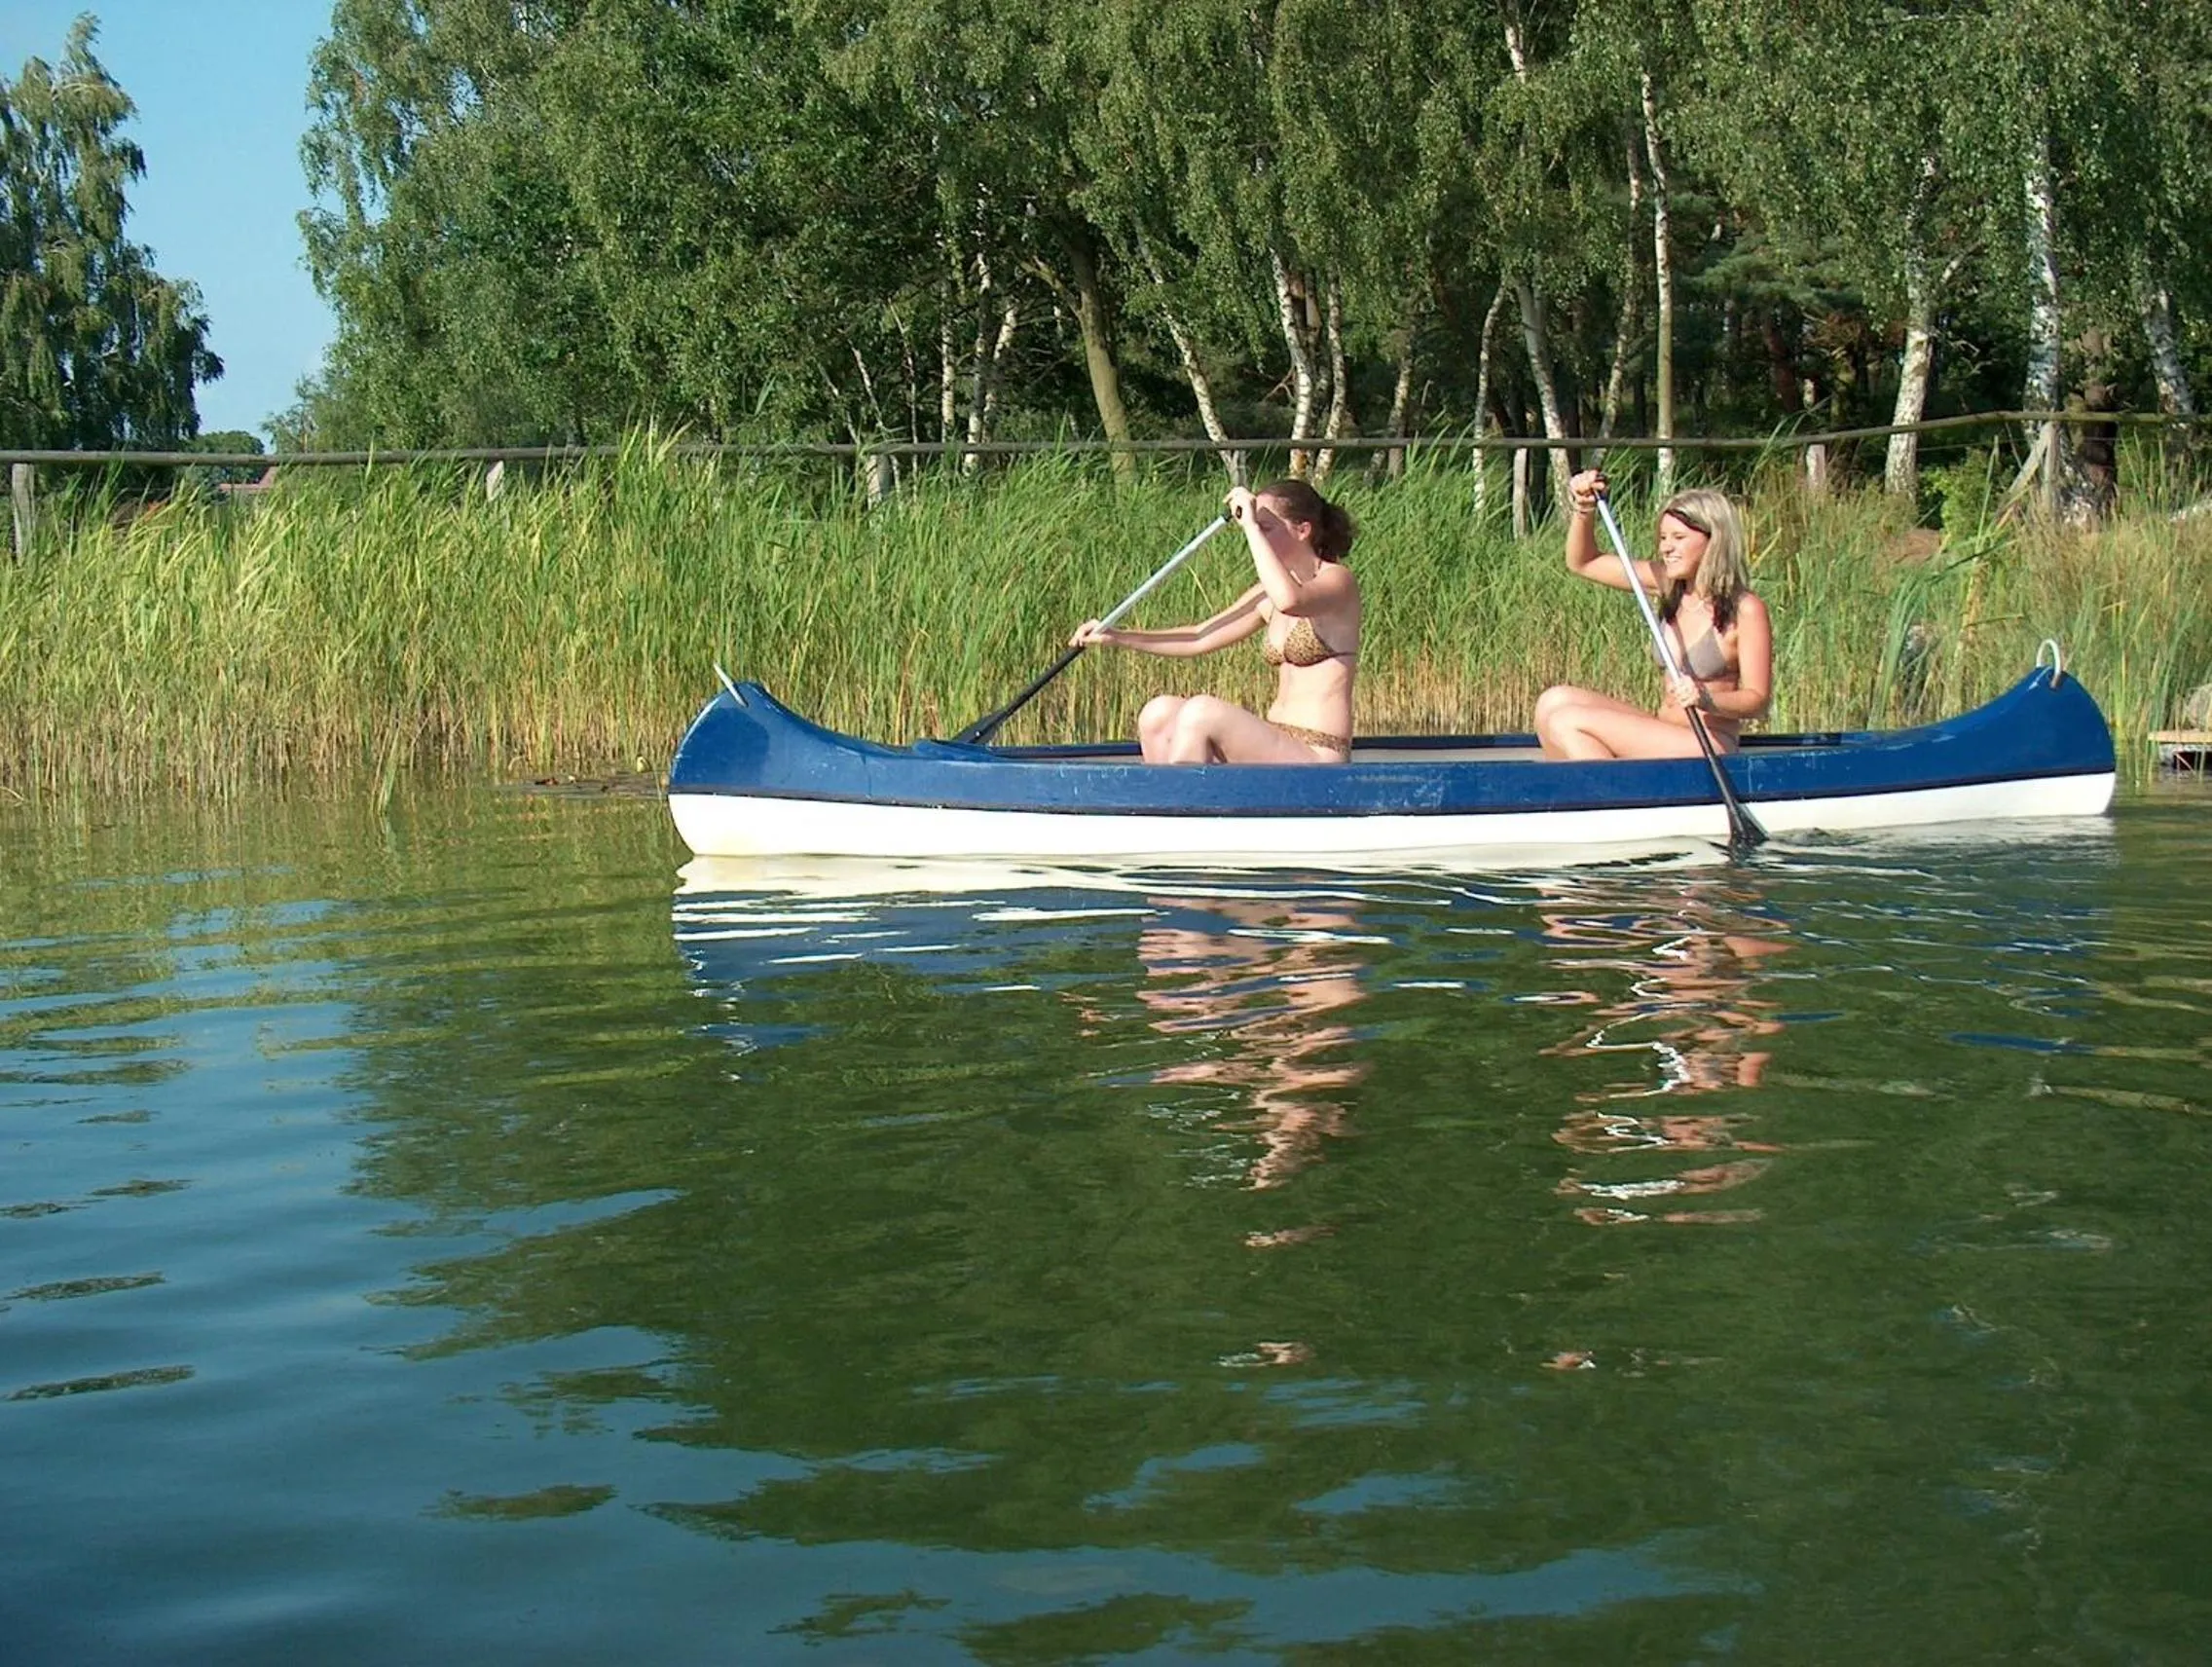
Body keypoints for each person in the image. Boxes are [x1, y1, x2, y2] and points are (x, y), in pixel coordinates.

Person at [1070, 479, 1359, 763]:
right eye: (1257, 528)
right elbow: (1200, 637)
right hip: (1277, 739)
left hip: (1319, 751)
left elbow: (1290, 601)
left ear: (1302, 530)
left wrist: (1250, 527)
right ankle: (1168, 793)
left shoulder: (1337, 581)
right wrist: (1117, 636)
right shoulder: (1266, 595)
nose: (1258, 537)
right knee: (1158, 714)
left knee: (1202, 713)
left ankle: (1183, 793)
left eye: (1266, 528)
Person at [1533, 469, 1773, 760]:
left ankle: (1611, 788)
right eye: (1663, 537)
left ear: (1714, 540)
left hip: (1708, 743)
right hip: (1664, 731)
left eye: (1678, 537)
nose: (1666, 547)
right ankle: (1590, 785)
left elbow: (1758, 700)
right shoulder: (1668, 583)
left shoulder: (1745, 608)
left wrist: (1706, 697)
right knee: (1552, 702)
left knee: (1566, 721)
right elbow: (1584, 562)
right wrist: (1584, 507)